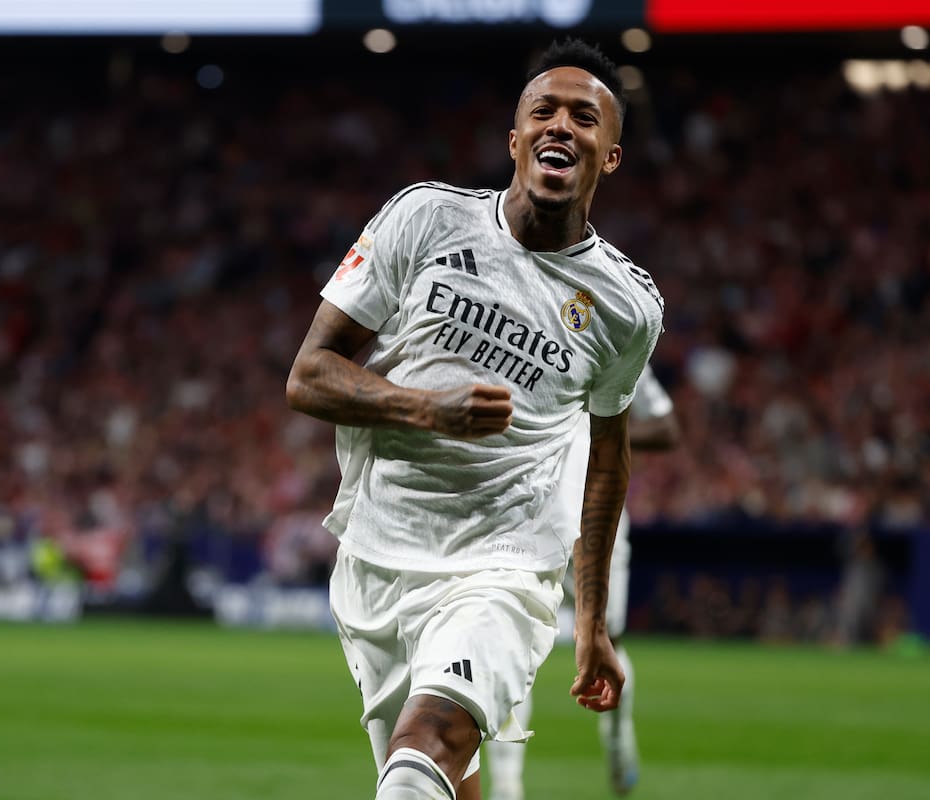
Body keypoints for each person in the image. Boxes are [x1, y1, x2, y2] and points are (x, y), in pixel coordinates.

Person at [286, 39, 664, 800]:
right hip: (379, 553)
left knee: (429, 742)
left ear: (610, 155)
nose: (562, 125)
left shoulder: (627, 307)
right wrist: (426, 407)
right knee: (439, 776)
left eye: (584, 117)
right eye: (543, 111)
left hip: (509, 563)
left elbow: (608, 456)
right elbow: (308, 375)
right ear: (515, 140)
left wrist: (590, 619)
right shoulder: (425, 219)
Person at [486, 367, 680, 799]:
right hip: (524, 508)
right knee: (510, 639)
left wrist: (586, 435)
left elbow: (667, 429)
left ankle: (617, 743)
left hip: (597, 515)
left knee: (609, 640)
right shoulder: (519, 330)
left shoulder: (613, 338)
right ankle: (505, 786)